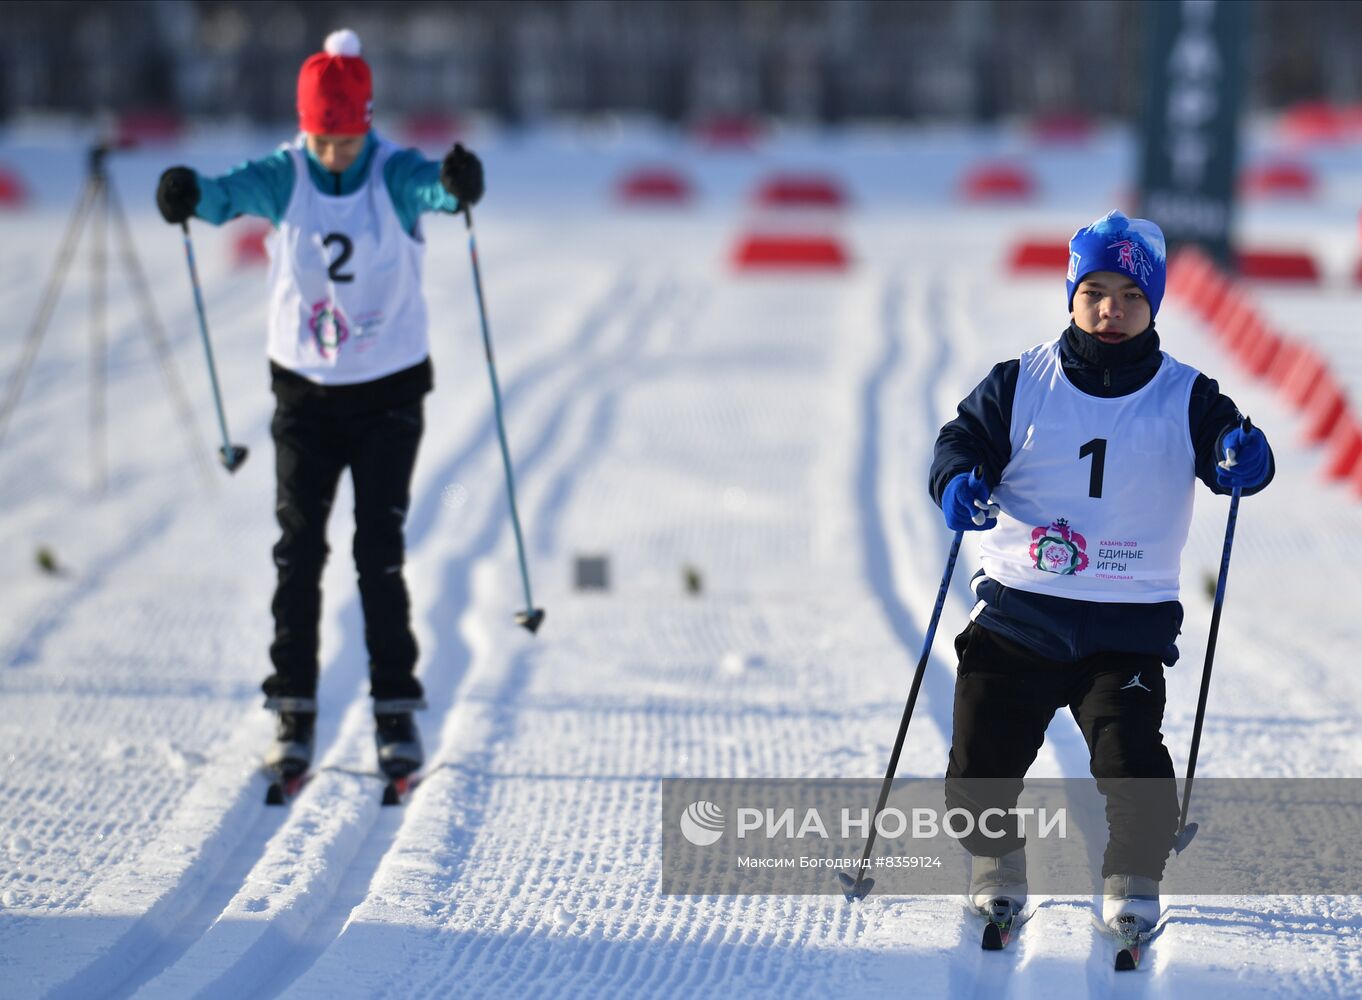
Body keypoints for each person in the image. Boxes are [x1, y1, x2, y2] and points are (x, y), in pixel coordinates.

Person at [154, 29, 486, 781]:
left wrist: (459, 181)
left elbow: (437, 187)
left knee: (379, 554)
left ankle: (395, 710)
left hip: (389, 395)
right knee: (298, 552)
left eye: (344, 140)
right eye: (320, 139)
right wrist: (188, 192)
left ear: (366, 124)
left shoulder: (392, 173)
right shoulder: (286, 172)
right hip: (304, 395)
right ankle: (293, 707)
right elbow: (222, 195)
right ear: (304, 128)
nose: (331, 153)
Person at [929, 210, 1274, 930]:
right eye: (1095, 292)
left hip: (1125, 626)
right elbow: (962, 439)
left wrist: (1245, 458)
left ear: (1154, 304)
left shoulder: (1187, 395)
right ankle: (997, 862)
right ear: (1071, 295)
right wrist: (959, 477)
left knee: (1133, 764)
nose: (1111, 309)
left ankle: (1132, 876)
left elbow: (1231, 455)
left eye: (1130, 295)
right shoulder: (1021, 382)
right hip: (1020, 613)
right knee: (977, 768)